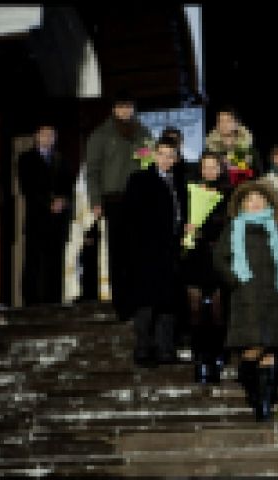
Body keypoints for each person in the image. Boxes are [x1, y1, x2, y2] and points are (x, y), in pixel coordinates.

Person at [213, 180, 278, 420]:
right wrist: (236, 281)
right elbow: (219, 259)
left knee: (271, 350)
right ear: (242, 205)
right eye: (250, 200)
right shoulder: (234, 228)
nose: (255, 203)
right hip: (247, 298)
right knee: (253, 348)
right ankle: (253, 392)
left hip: (274, 296)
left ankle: (264, 404)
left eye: (260, 199)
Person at [85, 91, 153, 321]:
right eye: (121, 106)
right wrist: (96, 200)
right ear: (114, 108)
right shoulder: (101, 134)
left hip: (139, 201)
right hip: (114, 201)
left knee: (138, 253)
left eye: (129, 106)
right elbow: (92, 171)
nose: (125, 111)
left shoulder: (143, 132)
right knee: (118, 253)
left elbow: (150, 164)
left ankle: (139, 302)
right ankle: (122, 305)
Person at [122, 136, 184, 367]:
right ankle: (143, 349)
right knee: (146, 301)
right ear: (154, 155)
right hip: (146, 251)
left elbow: (182, 212)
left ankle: (166, 349)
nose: (166, 159)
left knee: (168, 302)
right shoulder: (140, 179)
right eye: (162, 154)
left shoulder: (179, 181)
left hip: (172, 250)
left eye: (171, 156)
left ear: (176, 159)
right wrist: (136, 249)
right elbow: (130, 217)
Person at [183, 150, 232, 382]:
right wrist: (187, 229)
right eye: (205, 167)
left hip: (218, 256)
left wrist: (204, 229)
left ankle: (217, 357)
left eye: (214, 166)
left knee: (217, 311)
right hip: (195, 256)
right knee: (195, 310)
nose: (209, 171)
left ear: (221, 168)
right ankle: (199, 358)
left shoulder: (229, 192)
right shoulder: (191, 190)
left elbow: (229, 224)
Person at [17, 122, 74, 305]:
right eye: (44, 134)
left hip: (58, 221)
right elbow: (28, 188)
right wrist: (49, 203)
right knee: (34, 263)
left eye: (52, 135)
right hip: (37, 219)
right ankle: (31, 304)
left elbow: (69, 186)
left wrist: (63, 201)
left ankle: (54, 303)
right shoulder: (26, 159)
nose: (48, 138)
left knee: (55, 263)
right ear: (37, 136)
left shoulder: (61, 159)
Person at [205, 107, 261, 174]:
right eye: (220, 121)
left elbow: (254, 168)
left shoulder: (247, 144)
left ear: (236, 123)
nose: (224, 124)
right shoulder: (210, 146)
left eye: (228, 121)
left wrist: (228, 160)